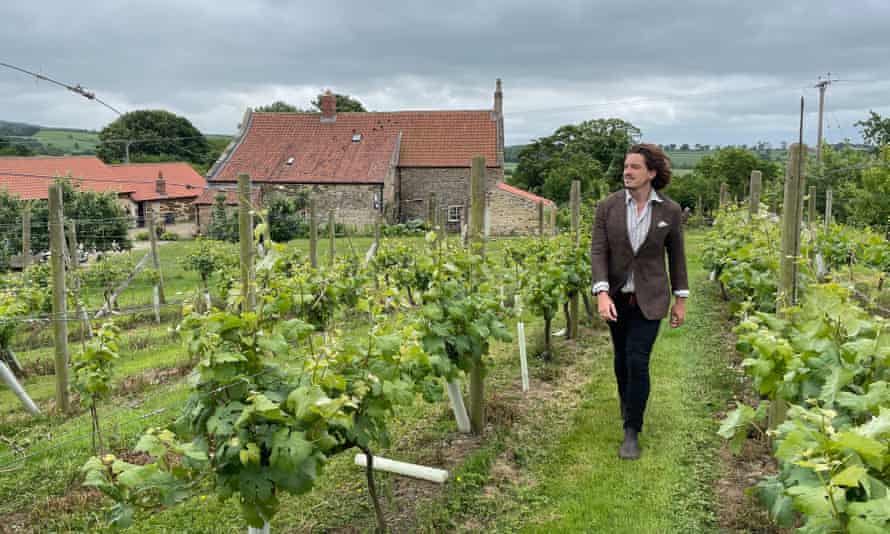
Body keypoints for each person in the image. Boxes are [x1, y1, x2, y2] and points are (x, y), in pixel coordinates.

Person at [590, 143, 689, 460]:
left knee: (637, 359)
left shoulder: (669, 211)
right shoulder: (608, 207)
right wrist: (602, 293)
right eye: (625, 166)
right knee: (621, 360)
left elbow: (677, 257)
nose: (627, 171)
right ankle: (628, 402)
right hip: (617, 296)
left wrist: (680, 300)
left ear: (651, 173)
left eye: (634, 167)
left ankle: (632, 430)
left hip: (651, 298)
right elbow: (598, 252)